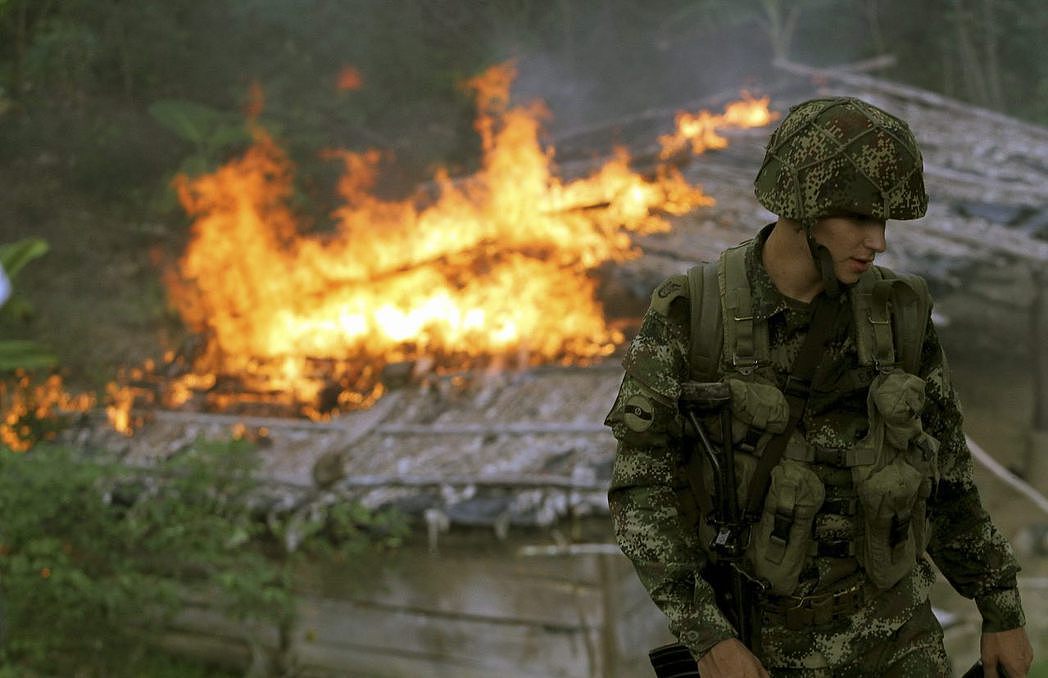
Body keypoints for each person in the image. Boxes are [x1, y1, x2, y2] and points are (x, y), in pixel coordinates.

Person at [605, 96, 1033, 677]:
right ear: (802, 208)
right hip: (759, 649)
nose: (877, 241)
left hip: (897, 642)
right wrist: (709, 639)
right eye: (857, 219)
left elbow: (947, 478)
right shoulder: (693, 315)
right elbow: (642, 492)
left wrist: (1000, 607)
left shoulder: (899, 315)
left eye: (883, 222)